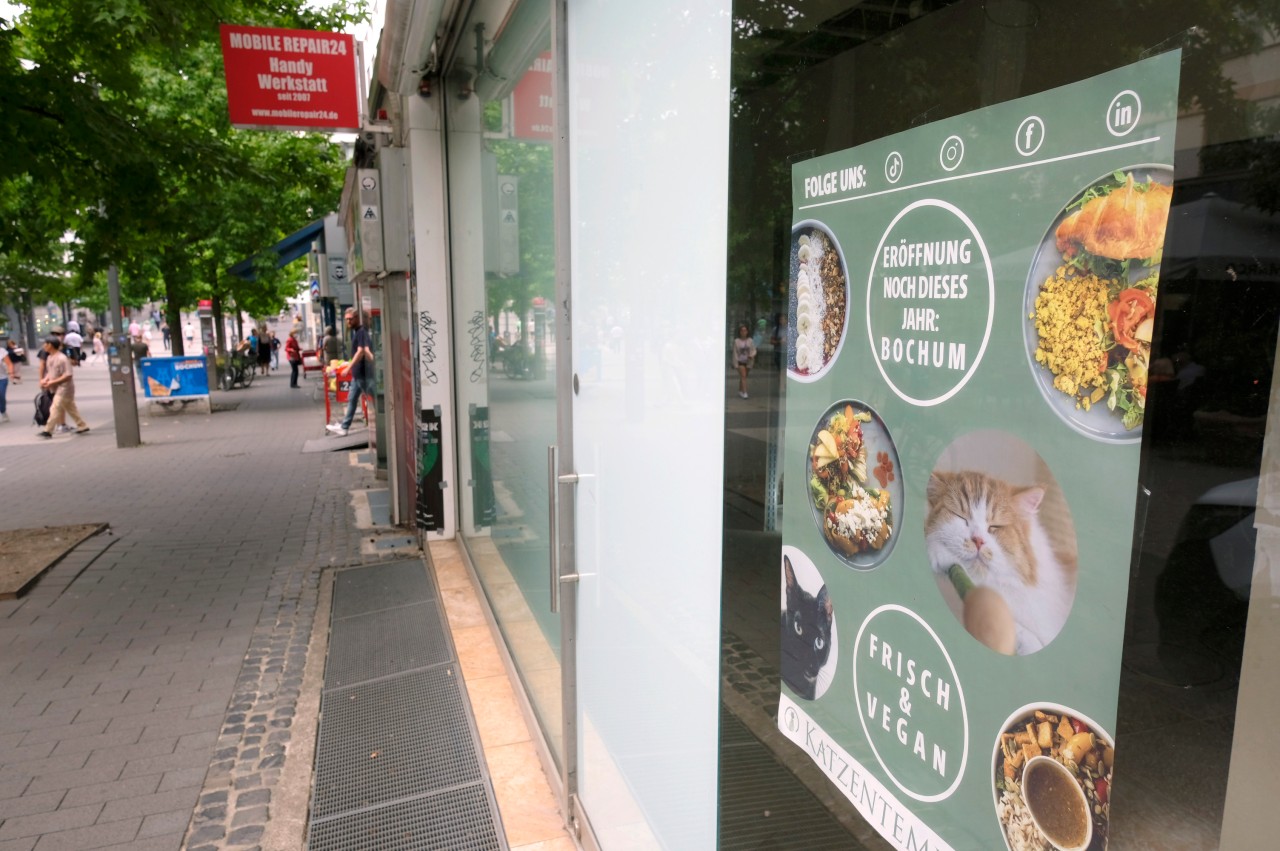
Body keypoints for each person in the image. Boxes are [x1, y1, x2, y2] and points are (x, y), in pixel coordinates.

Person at [326, 309, 373, 437]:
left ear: (357, 318)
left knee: (373, 397)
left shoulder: (361, 332)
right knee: (352, 399)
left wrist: (348, 367)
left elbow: (361, 351)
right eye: (346, 319)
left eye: (350, 319)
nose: (348, 321)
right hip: (358, 373)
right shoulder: (358, 332)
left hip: (362, 373)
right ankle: (344, 426)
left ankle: (345, 426)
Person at [37, 337, 89, 438]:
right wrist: (45, 380)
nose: (44, 346)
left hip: (65, 388)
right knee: (70, 407)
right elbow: (50, 372)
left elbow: (68, 375)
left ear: (50, 345)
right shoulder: (50, 357)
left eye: (45, 344)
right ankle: (82, 425)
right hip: (56, 387)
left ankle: (48, 430)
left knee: (55, 407)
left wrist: (52, 382)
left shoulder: (62, 358)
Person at [733, 323, 756, 399]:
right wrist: (735, 364)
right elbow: (735, 353)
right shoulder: (736, 341)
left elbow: (754, 350)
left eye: (745, 330)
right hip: (740, 361)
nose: (743, 332)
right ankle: (745, 392)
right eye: (742, 331)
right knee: (743, 376)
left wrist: (751, 355)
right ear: (739, 332)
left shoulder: (750, 340)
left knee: (744, 376)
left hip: (748, 361)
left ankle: (740, 390)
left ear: (747, 332)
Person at [0, 337, 19, 423]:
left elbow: (9, 364)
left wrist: (11, 374)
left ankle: (3, 411)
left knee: (1, 396)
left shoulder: (2, 351)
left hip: (2, 378)